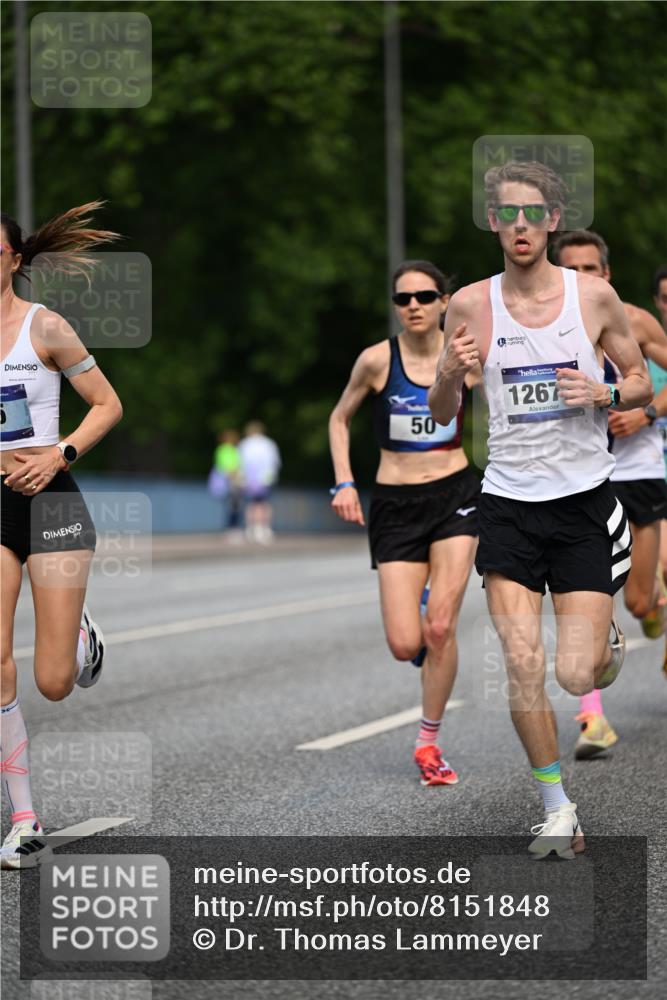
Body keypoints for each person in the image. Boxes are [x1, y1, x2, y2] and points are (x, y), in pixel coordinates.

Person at [429, 162, 651, 857]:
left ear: (551, 221)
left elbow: (641, 381)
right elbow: (442, 413)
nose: (518, 227)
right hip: (505, 504)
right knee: (522, 661)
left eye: (531, 214)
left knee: (573, 675)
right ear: (492, 222)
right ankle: (556, 805)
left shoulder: (594, 299)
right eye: (505, 214)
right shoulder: (467, 304)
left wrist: (606, 395)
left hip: (583, 502)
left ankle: (606, 641)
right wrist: (445, 372)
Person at [0, 203, 123, 868]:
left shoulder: (44, 327)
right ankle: (22, 818)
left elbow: (108, 405)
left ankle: (80, 637)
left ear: (15, 259)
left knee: (52, 680)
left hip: (52, 500)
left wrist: (60, 454)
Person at [329, 260, 480, 786]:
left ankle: (428, 743)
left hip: (457, 495)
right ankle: (421, 613)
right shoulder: (376, 361)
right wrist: (344, 482)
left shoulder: (466, 358)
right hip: (394, 503)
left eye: (423, 295)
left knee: (440, 628)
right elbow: (339, 417)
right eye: (402, 298)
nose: (412, 305)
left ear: (444, 301)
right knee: (404, 643)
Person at [553, 233, 667, 754]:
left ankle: (653, 597)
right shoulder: (543, 323)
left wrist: (644, 412)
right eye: (572, 267)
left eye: (591, 267)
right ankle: (593, 718)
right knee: (590, 592)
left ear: (608, 271)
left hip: (639, 470)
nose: (584, 276)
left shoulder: (636, 320)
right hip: (585, 481)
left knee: (640, 601)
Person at [239, 421, 281, 543]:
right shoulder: (268, 444)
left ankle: (252, 528)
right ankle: (264, 528)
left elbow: (240, 462)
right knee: (263, 504)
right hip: (264, 479)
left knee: (252, 504)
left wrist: (242, 478)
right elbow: (275, 462)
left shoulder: (245, 444)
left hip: (250, 479)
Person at [209, 429, 243, 537]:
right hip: (231, 480)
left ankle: (231, 527)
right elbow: (228, 467)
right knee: (233, 505)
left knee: (231, 505)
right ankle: (232, 528)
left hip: (230, 480)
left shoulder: (224, 450)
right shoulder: (228, 450)